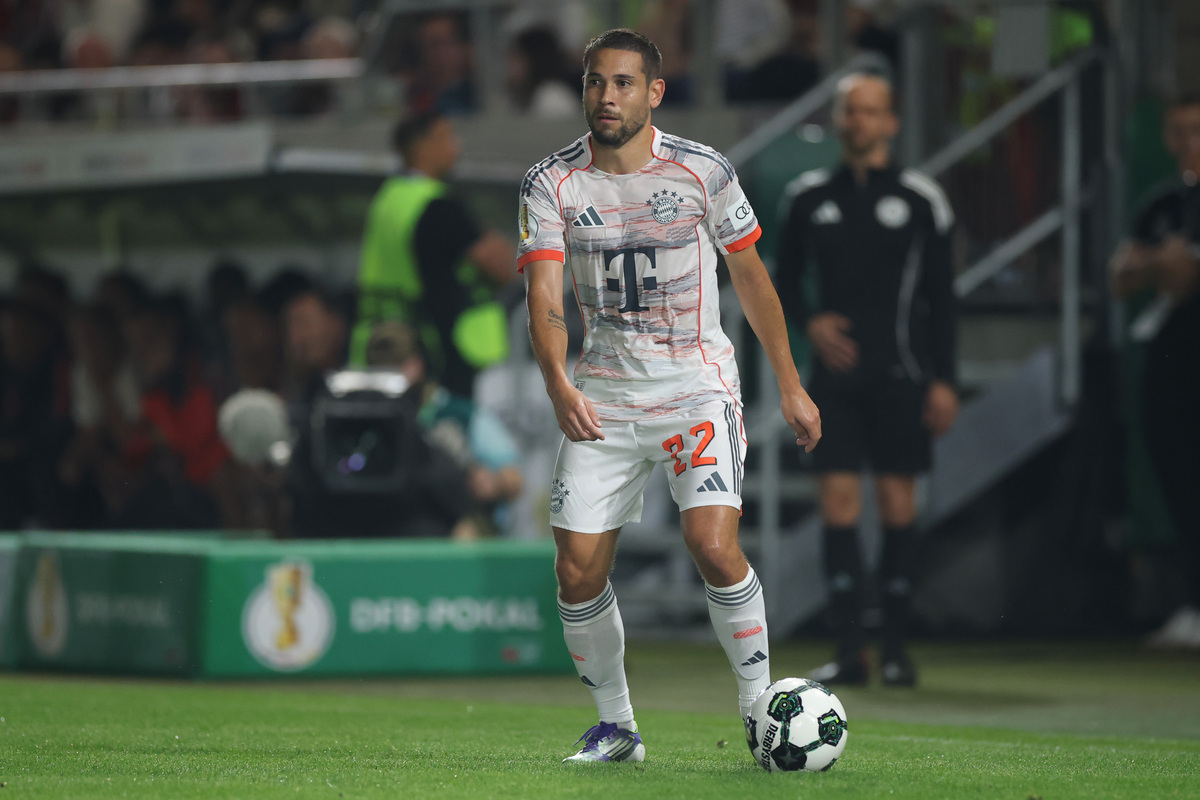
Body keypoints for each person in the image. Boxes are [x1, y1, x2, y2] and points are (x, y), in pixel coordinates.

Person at [520, 28, 821, 763]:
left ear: (654, 91)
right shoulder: (551, 181)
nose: (606, 96)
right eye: (595, 82)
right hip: (605, 396)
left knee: (713, 547)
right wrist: (558, 382)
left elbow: (751, 277)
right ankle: (617, 727)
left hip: (694, 389)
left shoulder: (702, 171)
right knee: (576, 569)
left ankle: (758, 712)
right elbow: (545, 295)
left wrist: (789, 382)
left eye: (623, 83)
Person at [774, 73, 958, 687]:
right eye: (850, 111)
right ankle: (852, 652)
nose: (859, 121)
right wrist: (812, 323)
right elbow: (778, 282)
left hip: (904, 375)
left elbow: (941, 298)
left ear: (891, 122)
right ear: (839, 119)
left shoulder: (921, 198)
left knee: (898, 504)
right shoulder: (806, 197)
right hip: (835, 382)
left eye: (871, 111)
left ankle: (899, 651)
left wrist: (945, 380)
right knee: (839, 506)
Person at [1109, 92, 1200, 648]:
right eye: (1179, 132)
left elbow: (1179, 277)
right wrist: (1161, 265)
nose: (1188, 143)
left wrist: (1163, 266)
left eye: (1197, 130)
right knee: (1182, 485)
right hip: (1174, 371)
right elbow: (1121, 275)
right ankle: (1193, 606)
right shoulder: (1164, 202)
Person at [352, 110, 514, 398]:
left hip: (382, 344)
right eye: (446, 137)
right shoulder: (436, 206)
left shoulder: (387, 200)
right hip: (434, 354)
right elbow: (505, 267)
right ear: (421, 146)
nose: (456, 146)